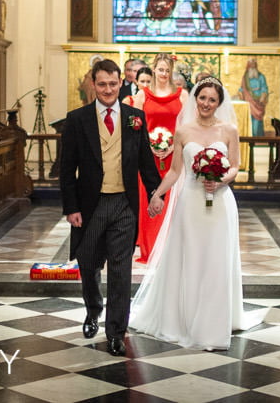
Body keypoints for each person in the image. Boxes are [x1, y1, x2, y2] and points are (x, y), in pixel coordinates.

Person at [130, 77, 264, 350]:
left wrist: (221, 179)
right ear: (196, 99)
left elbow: (236, 166)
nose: (206, 103)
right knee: (188, 259)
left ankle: (212, 322)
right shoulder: (183, 131)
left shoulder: (229, 130)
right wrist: (157, 194)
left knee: (216, 261)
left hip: (220, 204)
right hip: (190, 202)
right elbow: (176, 171)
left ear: (219, 103)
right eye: (202, 98)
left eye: (212, 100)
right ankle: (184, 319)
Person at [59, 59, 161, 357]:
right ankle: (93, 309)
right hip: (90, 206)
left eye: (113, 84)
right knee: (88, 265)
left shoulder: (134, 117)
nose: (107, 89)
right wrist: (71, 207)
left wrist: (155, 192)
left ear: (121, 83)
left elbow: (146, 161)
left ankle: (116, 332)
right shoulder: (77, 120)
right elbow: (67, 169)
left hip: (124, 205)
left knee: (121, 270)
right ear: (94, 83)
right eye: (102, 84)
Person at [132, 53, 189, 263]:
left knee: (174, 203)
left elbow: (188, 126)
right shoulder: (142, 95)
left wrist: (173, 145)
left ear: (171, 71)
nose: (164, 74)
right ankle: (150, 248)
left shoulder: (182, 95)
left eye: (167, 70)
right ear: (153, 69)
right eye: (160, 69)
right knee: (150, 199)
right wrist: (150, 146)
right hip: (148, 158)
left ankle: (170, 250)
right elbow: (135, 125)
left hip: (175, 158)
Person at [239, 58, 269, 136]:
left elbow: (264, 88)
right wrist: (240, 93)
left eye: (254, 65)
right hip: (248, 101)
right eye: (251, 65)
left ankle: (257, 137)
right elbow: (241, 88)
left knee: (257, 121)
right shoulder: (245, 77)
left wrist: (263, 96)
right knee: (249, 119)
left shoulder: (261, 76)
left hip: (258, 101)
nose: (252, 67)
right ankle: (249, 137)